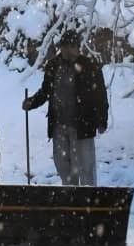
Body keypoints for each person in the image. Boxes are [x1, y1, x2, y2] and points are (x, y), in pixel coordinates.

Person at [23, 30, 109, 186]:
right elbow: (46, 91)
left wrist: (102, 119)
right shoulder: (53, 66)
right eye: (64, 46)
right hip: (59, 125)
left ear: (78, 47)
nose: (67, 50)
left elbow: (100, 96)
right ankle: (70, 197)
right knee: (62, 164)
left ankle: (89, 201)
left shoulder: (89, 66)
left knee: (85, 166)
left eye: (71, 46)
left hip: (82, 125)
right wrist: (32, 102)